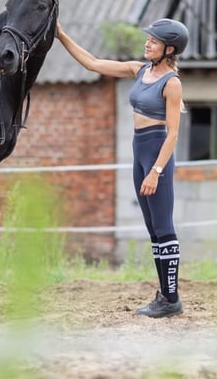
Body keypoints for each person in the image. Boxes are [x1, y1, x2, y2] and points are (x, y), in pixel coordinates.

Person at [56, 18, 189, 318]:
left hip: (157, 154)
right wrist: (61, 34)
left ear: (169, 48)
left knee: (164, 227)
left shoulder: (172, 83)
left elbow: (173, 134)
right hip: (139, 150)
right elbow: (92, 63)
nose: (147, 43)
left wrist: (156, 171)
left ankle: (172, 298)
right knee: (153, 229)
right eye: (148, 39)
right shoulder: (139, 70)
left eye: (153, 41)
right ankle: (165, 296)